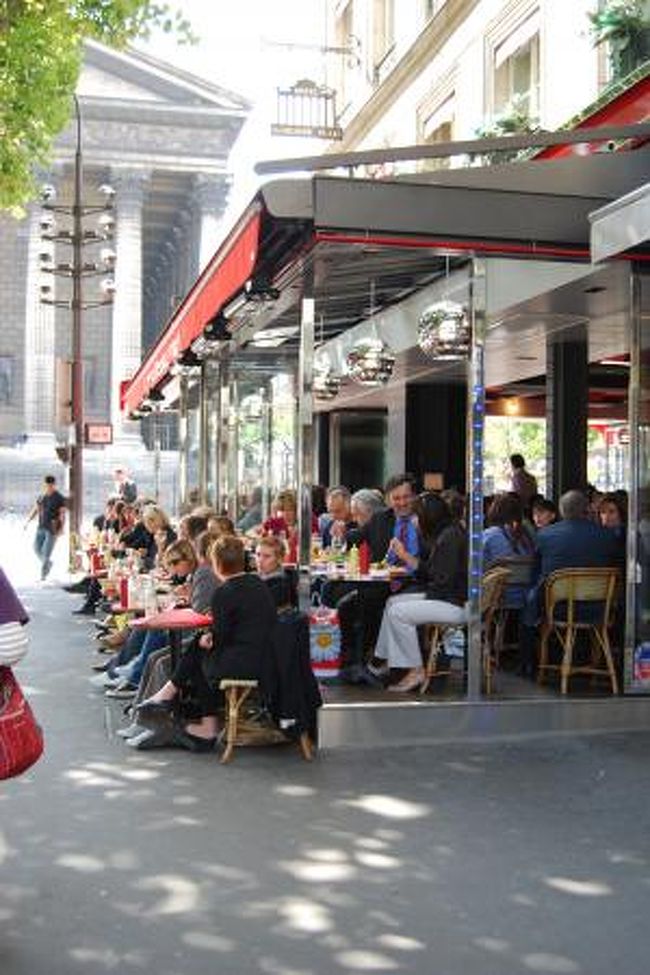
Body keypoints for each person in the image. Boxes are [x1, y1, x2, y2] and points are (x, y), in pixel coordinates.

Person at [135, 535, 276, 752]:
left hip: (243, 663)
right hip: (264, 657)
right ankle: (173, 697)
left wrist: (209, 637)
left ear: (217, 564)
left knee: (199, 653)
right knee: (198, 648)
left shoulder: (225, 593)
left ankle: (176, 699)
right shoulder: (257, 584)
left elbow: (221, 636)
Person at [519, 489, 621, 677]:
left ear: (561, 510)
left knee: (531, 597)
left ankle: (528, 663)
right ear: (587, 509)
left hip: (558, 608)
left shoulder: (545, 535)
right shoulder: (607, 536)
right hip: (599, 608)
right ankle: (597, 662)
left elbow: (537, 574)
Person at [372, 493, 467, 692]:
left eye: (416, 515)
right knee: (392, 603)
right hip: (449, 598)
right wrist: (406, 556)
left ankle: (416, 670)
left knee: (398, 612)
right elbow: (435, 574)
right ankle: (388, 660)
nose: (414, 520)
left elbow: (440, 580)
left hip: (455, 604)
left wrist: (406, 557)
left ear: (427, 516)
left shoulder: (449, 538)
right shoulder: (447, 533)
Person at [25, 474, 67, 580]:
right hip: (41, 527)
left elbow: (62, 514)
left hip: (52, 529)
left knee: (46, 553)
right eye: (48, 485)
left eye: (51, 485)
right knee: (36, 548)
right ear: (44, 485)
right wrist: (28, 521)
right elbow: (36, 509)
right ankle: (48, 563)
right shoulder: (41, 497)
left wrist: (61, 528)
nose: (49, 487)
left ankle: (43, 576)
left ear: (54, 485)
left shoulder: (59, 498)